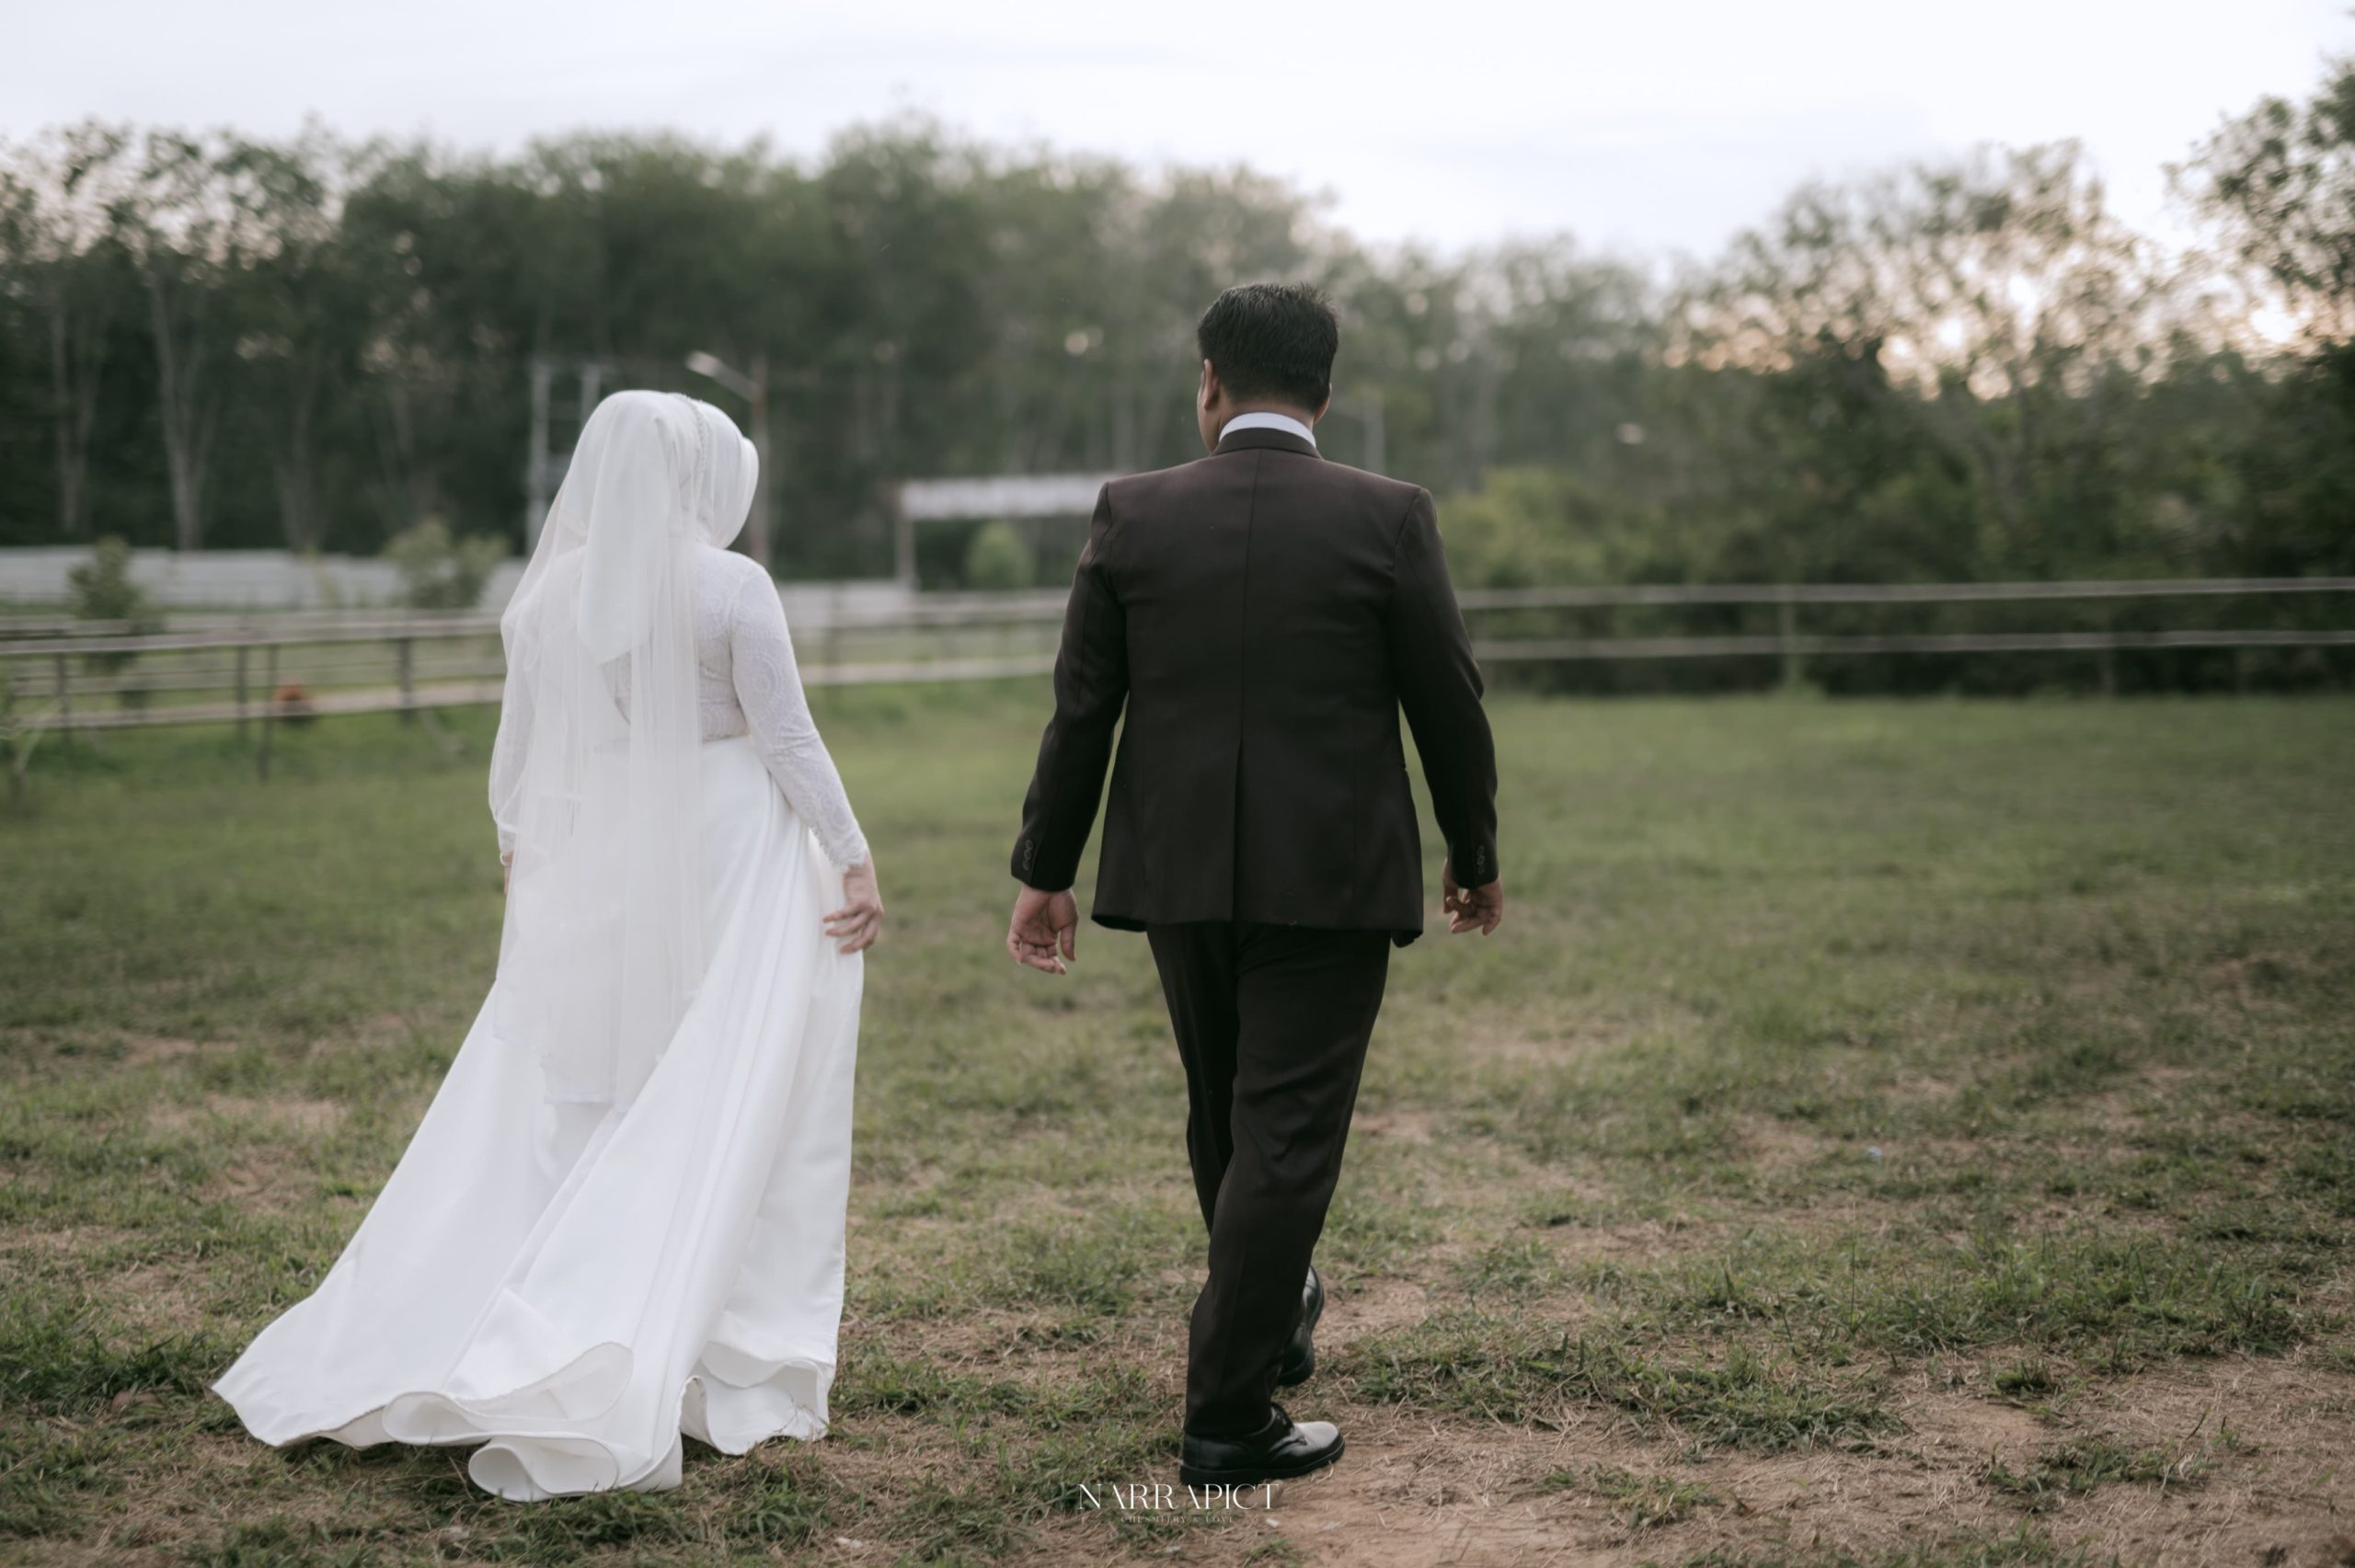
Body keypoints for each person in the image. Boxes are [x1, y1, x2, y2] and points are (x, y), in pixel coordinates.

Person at [213, 391, 884, 1500]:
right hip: (729, 852)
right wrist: (851, 855)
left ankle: (576, 1298)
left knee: (601, 1084)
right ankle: (668, 1324)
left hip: (601, 854)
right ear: (691, 478)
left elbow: (520, 771)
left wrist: (534, 881)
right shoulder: (732, 586)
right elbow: (788, 736)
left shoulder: (550, 600)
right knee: (718, 1080)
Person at [1005, 283, 1503, 1488]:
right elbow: (1448, 700)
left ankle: (1270, 1311)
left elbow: (1083, 709)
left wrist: (1045, 871)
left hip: (1175, 870)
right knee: (1280, 1136)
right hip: (1333, 874)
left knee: (1227, 1116)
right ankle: (1228, 1418)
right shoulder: (1389, 516)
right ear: (1324, 394)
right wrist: (1474, 852)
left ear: (1209, 383)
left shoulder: (1133, 512)